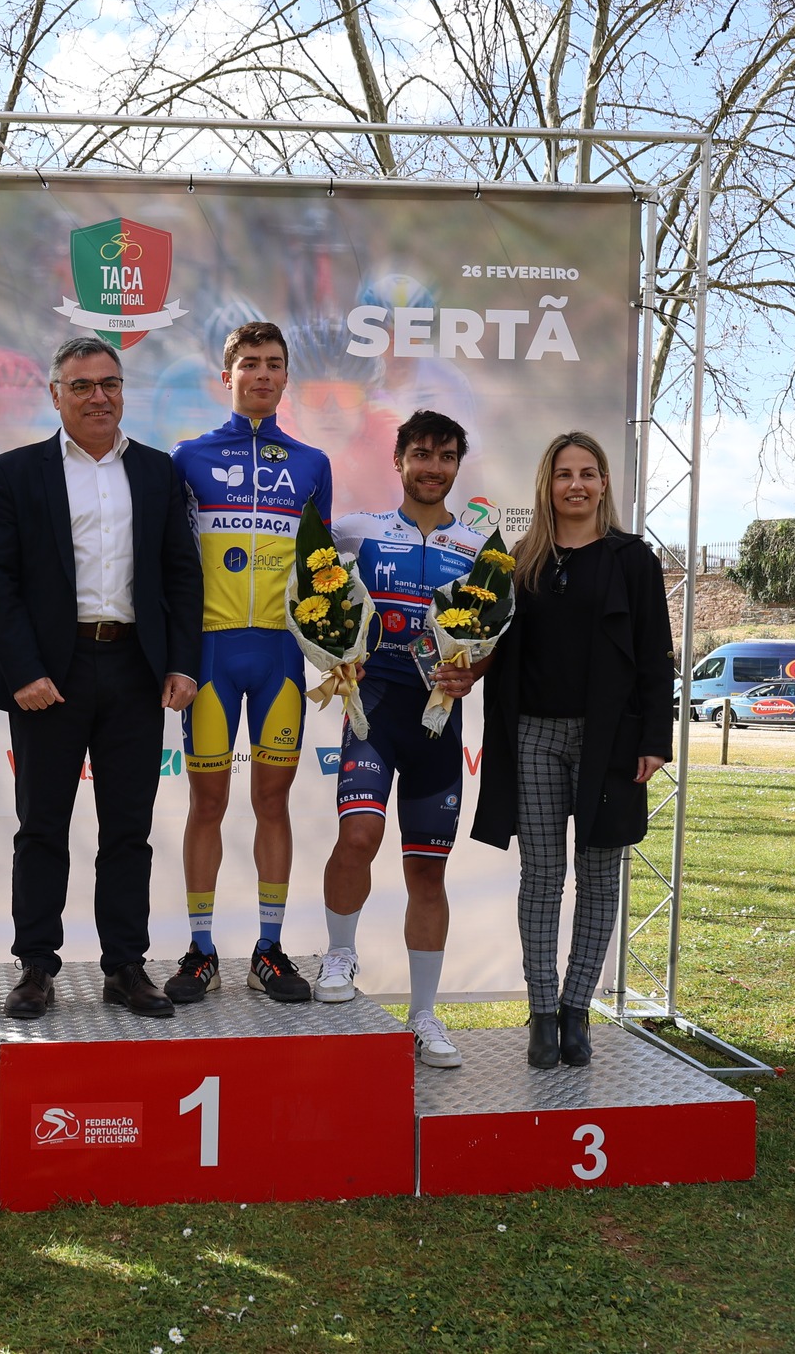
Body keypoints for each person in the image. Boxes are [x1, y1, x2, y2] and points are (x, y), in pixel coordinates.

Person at [0, 336, 204, 1020]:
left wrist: (183, 662)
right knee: (41, 826)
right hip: (51, 673)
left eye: (110, 383)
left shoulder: (158, 471)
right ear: (55, 395)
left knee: (129, 829)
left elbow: (181, 574)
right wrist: (24, 670)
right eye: (81, 386)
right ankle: (36, 966)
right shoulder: (14, 472)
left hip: (135, 668)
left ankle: (126, 966)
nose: (98, 396)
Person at [469, 431, 673, 1070]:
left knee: (600, 874)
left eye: (588, 473)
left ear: (604, 483)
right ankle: (541, 1012)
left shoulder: (633, 560)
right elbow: (490, 647)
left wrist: (655, 738)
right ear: (547, 484)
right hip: (533, 734)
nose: (576, 485)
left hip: (609, 741)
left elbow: (654, 654)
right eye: (564, 474)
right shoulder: (518, 560)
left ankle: (576, 1008)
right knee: (542, 876)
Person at [167, 322, 334, 1004]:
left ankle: (269, 947)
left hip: (279, 655)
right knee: (207, 802)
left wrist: (334, 648)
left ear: (286, 376)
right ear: (227, 375)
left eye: (274, 364)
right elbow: (172, 563)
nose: (263, 374)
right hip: (210, 652)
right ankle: (200, 948)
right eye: (250, 364)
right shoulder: (189, 457)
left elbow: (323, 572)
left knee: (272, 801)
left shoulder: (313, 464)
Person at [319, 411, 483, 1070]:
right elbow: (313, 593)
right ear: (398, 460)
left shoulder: (477, 546)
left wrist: (473, 671)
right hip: (375, 713)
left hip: (438, 724)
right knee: (358, 836)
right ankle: (339, 954)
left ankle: (423, 1014)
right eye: (421, 454)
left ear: (456, 466)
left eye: (445, 456)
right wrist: (334, 652)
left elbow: (493, 635)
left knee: (427, 870)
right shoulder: (356, 530)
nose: (432, 467)